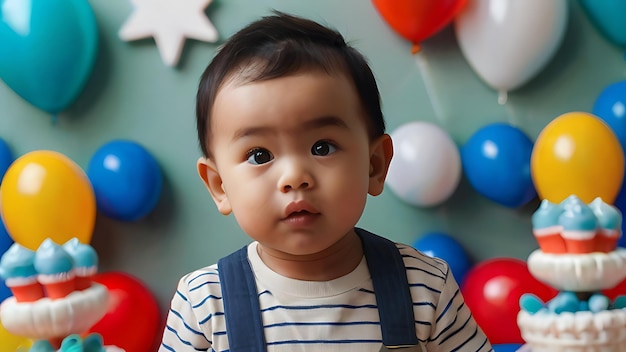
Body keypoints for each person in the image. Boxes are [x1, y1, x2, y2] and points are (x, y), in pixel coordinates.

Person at [159, 11, 493, 352]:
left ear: (375, 165)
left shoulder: (424, 288)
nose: (294, 178)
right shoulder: (204, 304)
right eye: (260, 155)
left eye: (322, 147)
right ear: (219, 185)